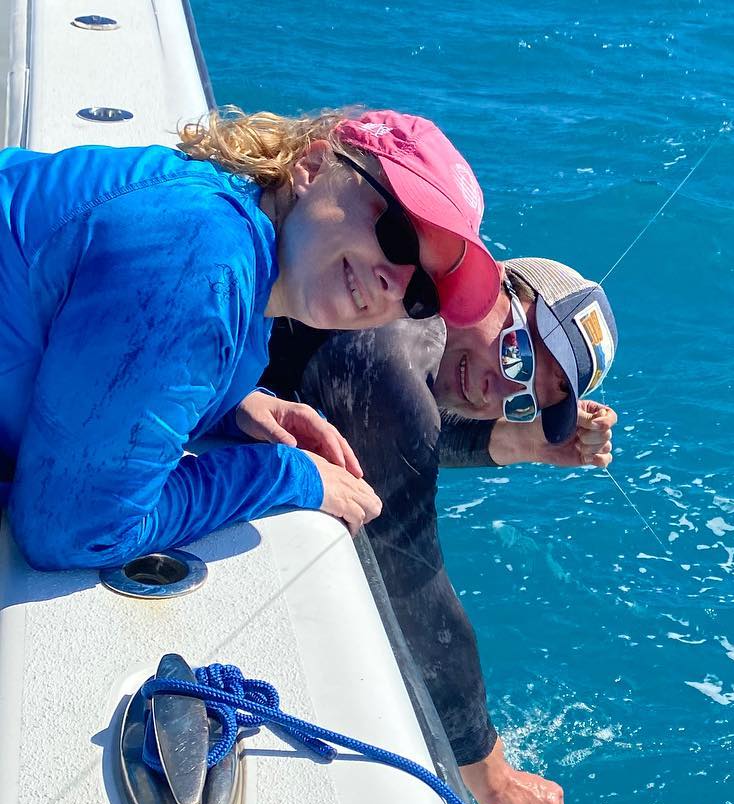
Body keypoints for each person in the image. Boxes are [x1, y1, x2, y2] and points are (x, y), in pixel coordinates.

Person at [0, 106, 500, 571]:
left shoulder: (235, 233)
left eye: (421, 293)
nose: (395, 283)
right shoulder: (201, 259)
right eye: (397, 234)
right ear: (313, 166)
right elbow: (77, 529)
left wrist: (232, 405)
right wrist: (281, 474)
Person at [261, 258, 619, 804]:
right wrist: (494, 782)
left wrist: (508, 439)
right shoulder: (391, 346)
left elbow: (392, 425)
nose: (500, 387)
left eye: (524, 398)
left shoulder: (409, 312)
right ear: (491, 283)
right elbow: (411, 580)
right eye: (519, 354)